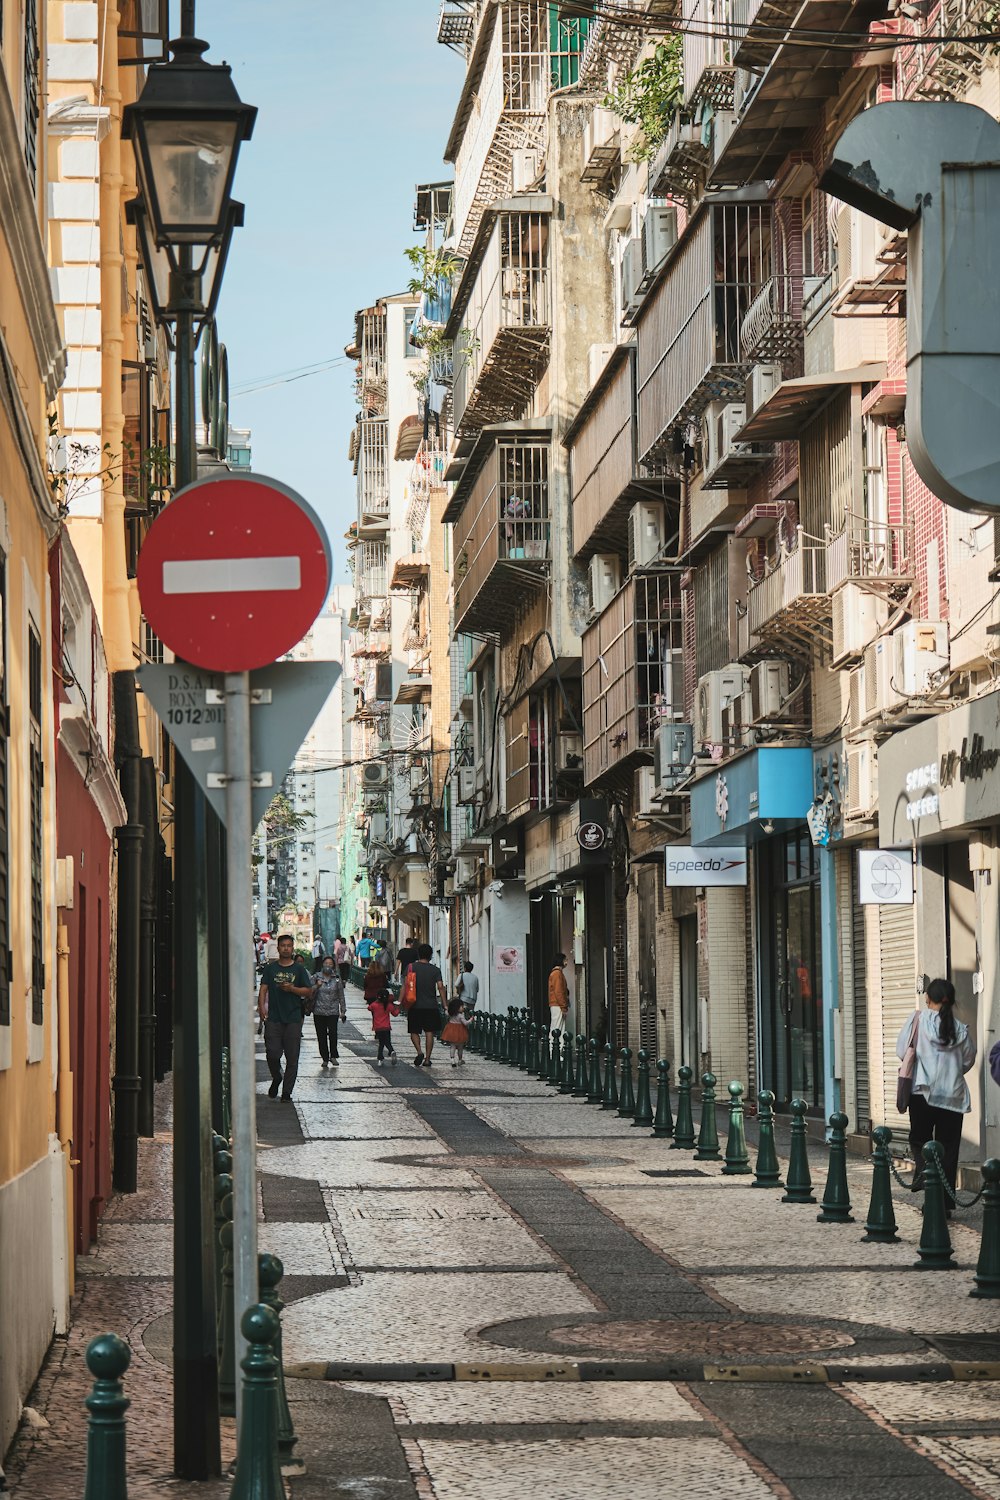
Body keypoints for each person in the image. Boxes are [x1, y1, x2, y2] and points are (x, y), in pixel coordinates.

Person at [897, 977, 976, 1197]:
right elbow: (968, 1060)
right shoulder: (960, 1029)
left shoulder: (917, 1020)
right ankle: (945, 1202)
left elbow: (903, 1052)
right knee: (948, 1151)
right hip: (953, 1096)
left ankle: (923, 1172)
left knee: (920, 1140)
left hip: (922, 1093)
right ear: (951, 1001)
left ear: (927, 998)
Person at [258, 934, 314, 1101]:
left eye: (289, 945)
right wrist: (261, 1008)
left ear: (292, 948)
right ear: (278, 948)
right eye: (283, 945)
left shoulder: (299, 970)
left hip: (293, 1018)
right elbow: (263, 989)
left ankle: (287, 1093)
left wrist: (292, 989)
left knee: (292, 1057)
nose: (286, 948)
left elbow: (308, 991)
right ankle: (277, 1077)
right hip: (274, 1018)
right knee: (272, 1053)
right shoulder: (271, 969)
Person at [408, 942, 447, 1068]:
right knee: (429, 1032)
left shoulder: (411, 967)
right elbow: (440, 987)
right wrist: (445, 1004)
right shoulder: (435, 970)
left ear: (418, 954)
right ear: (430, 955)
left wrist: (401, 1002)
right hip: (431, 1006)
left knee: (414, 1031)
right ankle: (427, 1059)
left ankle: (419, 1051)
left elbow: (406, 985)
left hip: (414, 1005)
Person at [311, 956, 346, 1068]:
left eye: (330, 963)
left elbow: (341, 995)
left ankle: (333, 1056)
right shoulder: (316, 977)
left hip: (332, 1011)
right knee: (321, 1036)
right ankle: (325, 1058)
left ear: (333, 966)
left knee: (333, 1034)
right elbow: (309, 990)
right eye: (326, 963)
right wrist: (317, 985)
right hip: (319, 1011)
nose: (328, 965)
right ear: (322, 965)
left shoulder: (336, 978)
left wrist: (343, 1010)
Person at [368, 987, 399, 1065]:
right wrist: (398, 1007)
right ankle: (391, 1051)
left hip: (378, 1028)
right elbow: (395, 1014)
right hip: (387, 1027)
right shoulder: (388, 1005)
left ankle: (380, 1058)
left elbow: (369, 1008)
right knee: (387, 1041)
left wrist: (376, 1000)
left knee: (381, 1043)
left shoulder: (375, 1005)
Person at [441, 996, 469, 1067]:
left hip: (451, 1030)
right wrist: (471, 1020)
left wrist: (447, 1008)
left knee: (452, 1046)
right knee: (460, 1047)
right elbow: (465, 1023)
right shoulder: (460, 1015)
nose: (463, 1008)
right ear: (458, 1007)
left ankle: (452, 1059)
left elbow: (446, 1012)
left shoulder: (450, 1014)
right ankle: (460, 1059)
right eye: (462, 1006)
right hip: (460, 1032)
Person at [548, 952, 570, 1036]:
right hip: (558, 1005)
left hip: (556, 1004)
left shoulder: (556, 973)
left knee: (557, 1027)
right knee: (557, 1028)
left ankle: (556, 1047)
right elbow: (559, 991)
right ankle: (554, 1047)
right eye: (565, 960)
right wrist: (564, 1007)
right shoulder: (557, 973)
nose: (566, 962)